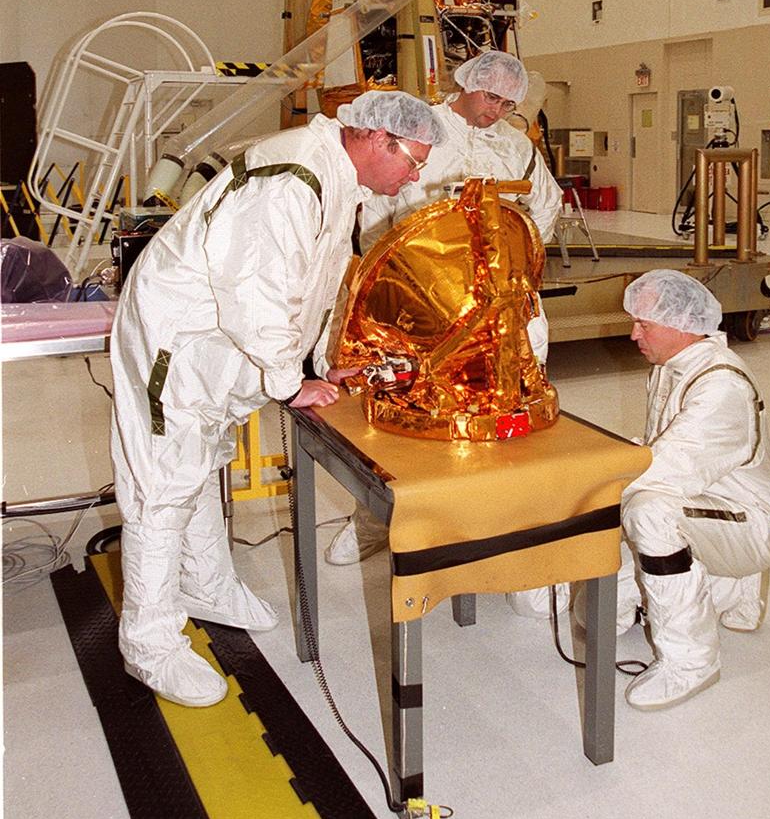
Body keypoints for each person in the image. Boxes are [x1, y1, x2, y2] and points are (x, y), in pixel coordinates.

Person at [110, 90, 445, 708]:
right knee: (163, 485)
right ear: (376, 140)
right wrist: (292, 382)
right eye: (413, 160)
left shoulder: (335, 176)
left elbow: (312, 276)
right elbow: (257, 291)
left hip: (221, 348)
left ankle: (206, 583)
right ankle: (149, 642)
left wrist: (320, 362)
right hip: (180, 344)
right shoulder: (292, 177)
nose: (415, 175)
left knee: (203, 461)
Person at [326, 50, 563, 568]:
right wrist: (400, 281)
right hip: (428, 306)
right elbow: (378, 211)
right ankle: (375, 521)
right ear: (466, 85)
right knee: (406, 416)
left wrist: (518, 266)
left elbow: (543, 205)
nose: (496, 110)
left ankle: (498, 521)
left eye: (507, 103)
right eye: (490, 97)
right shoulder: (426, 130)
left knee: (509, 409)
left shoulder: (516, 147)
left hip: (501, 304)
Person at [573, 269, 770, 711]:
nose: (633, 334)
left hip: (748, 522)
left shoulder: (720, 386)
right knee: (589, 616)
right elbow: (655, 449)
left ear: (681, 325)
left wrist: (581, 490)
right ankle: (728, 587)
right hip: (708, 506)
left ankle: (692, 663)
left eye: (643, 324)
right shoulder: (675, 367)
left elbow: (666, 471)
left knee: (649, 513)